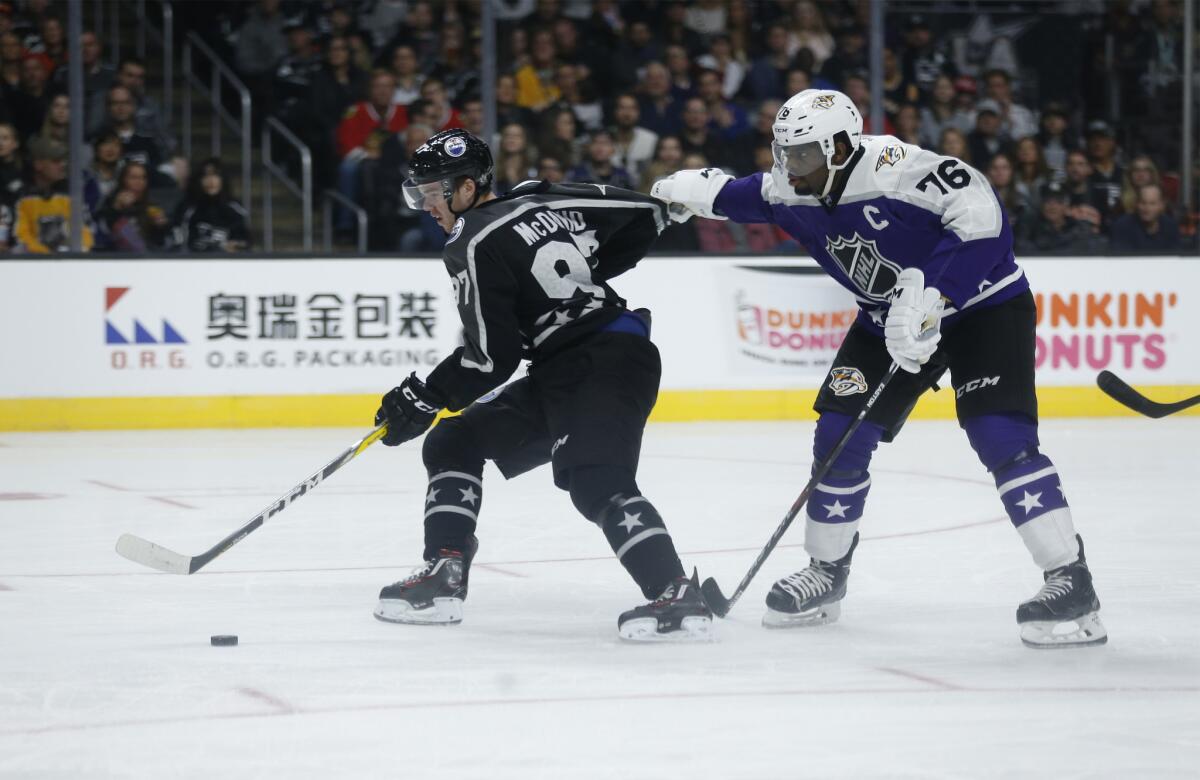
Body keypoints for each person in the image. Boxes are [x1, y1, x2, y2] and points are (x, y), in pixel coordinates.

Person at [651, 89, 1106, 649]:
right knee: (839, 432)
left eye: (804, 155)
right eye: (784, 153)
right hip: (888, 317)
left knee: (1000, 436)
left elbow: (985, 217)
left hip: (982, 306)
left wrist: (935, 295)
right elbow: (742, 194)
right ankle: (826, 571)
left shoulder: (896, 170)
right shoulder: (791, 188)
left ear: (841, 146)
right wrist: (686, 192)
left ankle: (1070, 578)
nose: (791, 167)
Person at [372, 128, 712, 641]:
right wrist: (663, 206)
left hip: (598, 360)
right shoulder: (537, 198)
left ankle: (676, 595)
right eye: (418, 193)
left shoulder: (469, 240)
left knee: (596, 479)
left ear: (467, 188)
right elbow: (640, 217)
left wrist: (426, 393)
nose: (426, 204)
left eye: (434, 191)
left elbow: (493, 358)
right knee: (455, 441)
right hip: (577, 364)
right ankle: (445, 571)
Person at [172, 157, 251, 253]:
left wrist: (236, 244)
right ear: (199, 180)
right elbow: (178, 239)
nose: (211, 180)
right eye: (206, 176)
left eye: (216, 175)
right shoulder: (188, 207)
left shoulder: (235, 208)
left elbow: (245, 240)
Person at [1109, 183, 1181, 253]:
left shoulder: (1170, 226)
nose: (1147, 208)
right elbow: (1121, 260)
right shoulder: (1122, 226)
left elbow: (1175, 257)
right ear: (1136, 204)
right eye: (1143, 203)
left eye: (1152, 203)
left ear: (1161, 205)